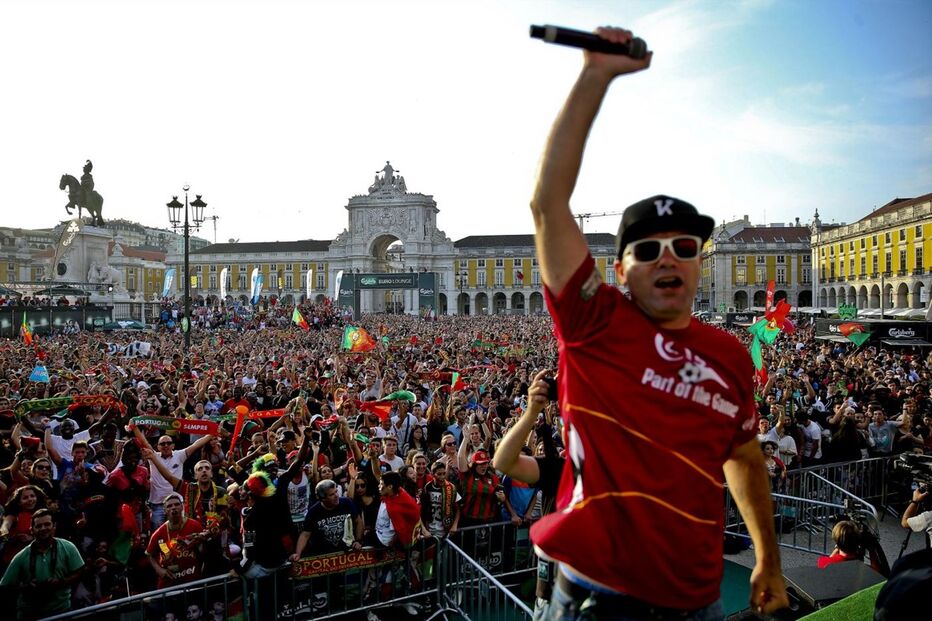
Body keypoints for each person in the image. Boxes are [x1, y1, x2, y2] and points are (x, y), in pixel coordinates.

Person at [526, 25, 786, 618]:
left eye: (684, 246)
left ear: (700, 262)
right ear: (619, 270)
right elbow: (548, 203)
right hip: (597, 591)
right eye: (647, 250)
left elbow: (743, 457)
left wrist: (768, 557)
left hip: (696, 596)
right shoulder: (594, 322)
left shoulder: (728, 353)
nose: (667, 256)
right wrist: (596, 74)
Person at [0, 509, 85, 620]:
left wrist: (62, 582)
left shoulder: (68, 547)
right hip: (30, 615)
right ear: (32, 530)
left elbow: (80, 572)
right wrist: (25, 587)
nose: (43, 528)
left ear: (54, 526)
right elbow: (5, 587)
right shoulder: (21, 556)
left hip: (62, 612)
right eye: (38, 526)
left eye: (47, 524)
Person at [145, 492, 205, 588]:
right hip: (169, 583)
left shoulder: (195, 525)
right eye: (169, 506)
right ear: (165, 510)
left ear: (182, 507)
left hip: (192, 580)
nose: (173, 507)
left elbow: (204, 550)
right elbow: (149, 554)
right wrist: (160, 570)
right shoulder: (158, 533)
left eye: (177, 504)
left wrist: (203, 541)